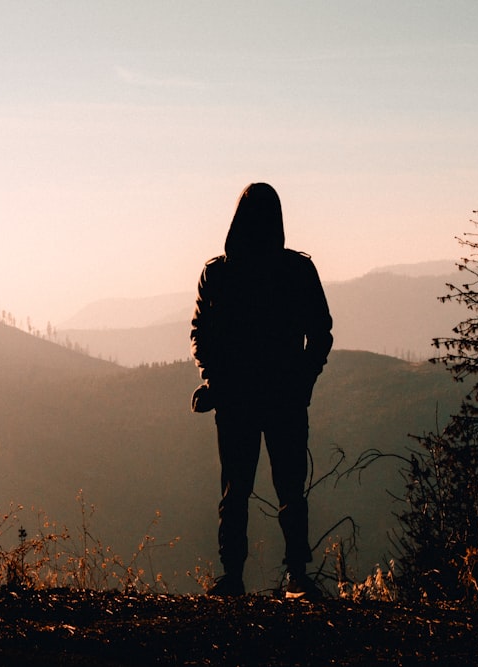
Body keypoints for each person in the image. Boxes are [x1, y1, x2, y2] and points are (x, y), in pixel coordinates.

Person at [190, 183, 333, 600]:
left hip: (242, 399)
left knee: (237, 492)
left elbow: (201, 334)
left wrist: (213, 379)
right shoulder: (296, 271)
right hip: (279, 397)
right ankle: (295, 578)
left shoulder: (219, 273)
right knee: (286, 490)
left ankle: (235, 577)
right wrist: (304, 381)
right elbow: (320, 334)